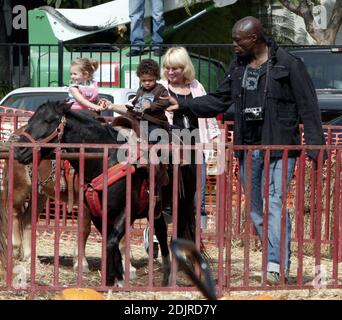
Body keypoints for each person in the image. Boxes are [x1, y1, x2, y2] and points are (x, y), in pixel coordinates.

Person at [166, 17, 326, 285]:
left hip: (280, 147)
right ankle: (273, 260)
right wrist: (183, 105)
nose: (234, 45)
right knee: (255, 210)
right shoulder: (239, 66)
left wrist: (314, 146)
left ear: (254, 38)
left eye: (238, 40)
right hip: (247, 147)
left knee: (274, 204)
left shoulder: (288, 64)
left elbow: (308, 105)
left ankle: (276, 264)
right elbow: (219, 98)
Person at [160, 46, 220, 230]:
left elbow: (207, 112)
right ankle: (159, 234)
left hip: (195, 147)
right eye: (167, 68)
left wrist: (215, 137)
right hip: (168, 147)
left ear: (185, 68)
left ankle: (195, 239)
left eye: (175, 68)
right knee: (168, 196)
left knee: (198, 196)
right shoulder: (160, 88)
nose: (170, 72)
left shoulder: (196, 86)